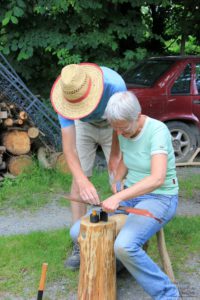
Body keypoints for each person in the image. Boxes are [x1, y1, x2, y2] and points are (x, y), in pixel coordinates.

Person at [69, 91, 180, 299]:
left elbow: (157, 178)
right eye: (115, 128)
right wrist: (118, 181)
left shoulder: (157, 131)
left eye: (123, 128)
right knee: (78, 232)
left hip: (160, 197)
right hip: (130, 194)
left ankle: (167, 293)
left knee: (125, 245)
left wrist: (120, 197)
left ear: (137, 116)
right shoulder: (124, 130)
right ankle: (119, 265)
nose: (119, 134)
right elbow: (126, 160)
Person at [50, 63, 127, 269]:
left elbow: (121, 122)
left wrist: (115, 155)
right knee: (78, 181)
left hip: (113, 125)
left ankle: (123, 243)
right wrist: (83, 180)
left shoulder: (114, 85)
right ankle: (79, 242)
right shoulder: (63, 96)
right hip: (83, 127)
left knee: (119, 179)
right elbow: (69, 149)